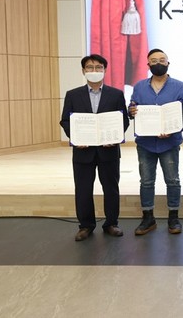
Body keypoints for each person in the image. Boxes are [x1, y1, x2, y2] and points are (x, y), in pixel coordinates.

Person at [60, 54, 130, 241]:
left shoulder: (116, 94)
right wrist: (76, 138)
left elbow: (123, 120)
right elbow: (65, 120)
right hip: (83, 151)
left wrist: (115, 138)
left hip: (109, 150)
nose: (94, 71)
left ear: (105, 70)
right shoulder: (73, 94)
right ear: (83, 71)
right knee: (83, 189)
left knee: (111, 188)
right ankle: (86, 225)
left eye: (99, 67)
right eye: (90, 67)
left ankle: (111, 223)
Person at [129, 48, 183, 236]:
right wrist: (131, 110)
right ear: (148, 65)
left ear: (168, 63)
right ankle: (148, 218)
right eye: (154, 60)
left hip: (169, 143)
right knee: (146, 181)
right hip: (145, 143)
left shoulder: (180, 87)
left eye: (162, 60)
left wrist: (173, 129)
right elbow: (133, 106)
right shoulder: (139, 86)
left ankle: (174, 217)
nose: (158, 63)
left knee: (173, 180)